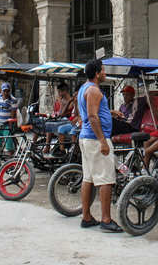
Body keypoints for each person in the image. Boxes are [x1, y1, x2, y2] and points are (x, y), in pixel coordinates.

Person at [78, 59, 122, 232]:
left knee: (88, 178)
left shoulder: (84, 88)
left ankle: (86, 217)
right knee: (106, 179)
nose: (105, 73)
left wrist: (110, 112)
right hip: (95, 140)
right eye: (103, 70)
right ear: (97, 73)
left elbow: (91, 111)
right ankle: (106, 219)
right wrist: (103, 141)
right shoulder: (94, 90)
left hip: (87, 139)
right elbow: (92, 116)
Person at [0, 82, 19, 169]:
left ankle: (10, 164)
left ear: (10, 91)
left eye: (7, 91)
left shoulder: (13, 100)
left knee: (9, 146)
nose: (6, 93)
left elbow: (13, 114)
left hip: (7, 125)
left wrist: (10, 126)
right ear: (1, 91)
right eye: (4, 91)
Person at [43, 82, 74, 155]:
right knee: (47, 123)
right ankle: (47, 146)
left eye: (59, 92)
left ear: (65, 91)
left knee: (51, 125)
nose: (59, 94)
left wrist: (64, 103)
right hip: (62, 119)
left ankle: (60, 149)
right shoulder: (62, 100)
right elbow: (60, 113)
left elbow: (62, 114)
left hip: (69, 121)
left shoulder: (71, 101)